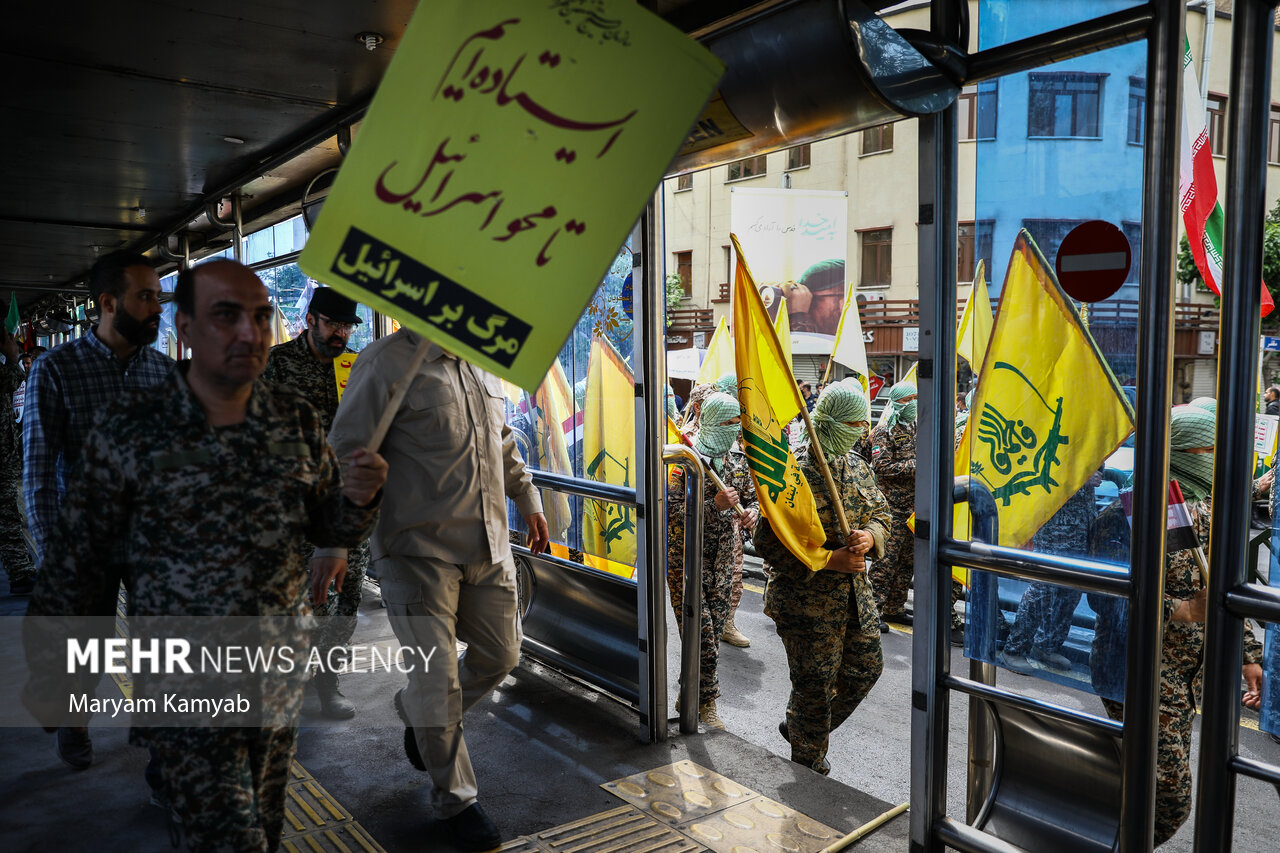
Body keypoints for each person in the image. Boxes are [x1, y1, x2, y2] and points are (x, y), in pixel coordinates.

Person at [21, 259, 386, 852]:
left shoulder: (291, 420)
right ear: (185, 326)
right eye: (226, 315)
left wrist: (361, 499)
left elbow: (329, 525)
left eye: (261, 316)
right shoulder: (132, 427)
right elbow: (75, 558)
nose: (249, 332)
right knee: (225, 836)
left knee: (267, 824)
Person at [328, 328, 549, 852]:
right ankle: (457, 801)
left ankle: (420, 712)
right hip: (415, 548)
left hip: (488, 541)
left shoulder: (483, 360)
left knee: (501, 655)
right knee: (437, 677)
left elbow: (501, 441)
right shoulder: (385, 362)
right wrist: (333, 541)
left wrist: (529, 496)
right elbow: (346, 452)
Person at [22, 250, 173, 770]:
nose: (158, 306)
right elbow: (39, 470)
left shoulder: (163, 371)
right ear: (109, 303)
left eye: (159, 295)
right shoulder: (57, 369)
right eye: (146, 296)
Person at [1087, 405, 1264, 845]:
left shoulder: (1207, 510)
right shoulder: (1127, 516)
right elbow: (1104, 598)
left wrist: (1248, 656)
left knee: (1145, 787)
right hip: (1137, 672)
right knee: (1170, 797)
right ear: (1184, 453)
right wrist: (1179, 611)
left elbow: (1219, 589)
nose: (1217, 461)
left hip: (1186, 680)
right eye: (1209, 451)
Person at [759, 384, 891, 774]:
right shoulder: (792, 470)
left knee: (866, 669)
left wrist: (872, 536)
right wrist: (827, 560)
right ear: (832, 421)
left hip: (855, 600)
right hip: (807, 603)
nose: (863, 430)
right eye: (856, 423)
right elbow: (767, 542)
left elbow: (882, 512)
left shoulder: (857, 465)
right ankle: (808, 766)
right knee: (814, 687)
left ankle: (801, 728)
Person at [263, 286, 369, 720]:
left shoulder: (356, 367)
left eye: (346, 326)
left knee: (347, 599)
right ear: (310, 320)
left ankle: (328, 678)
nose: (340, 333)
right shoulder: (277, 365)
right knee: (303, 600)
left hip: (348, 509)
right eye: (332, 324)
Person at [666, 392, 757, 728]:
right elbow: (670, 515)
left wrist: (751, 515)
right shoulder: (682, 461)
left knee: (712, 638)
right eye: (729, 423)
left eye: (738, 424)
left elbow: (754, 499)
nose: (734, 430)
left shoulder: (735, 462)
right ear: (713, 421)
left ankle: (689, 694)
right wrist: (713, 506)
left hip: (722, 564)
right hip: (685, 563)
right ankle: (707, 704)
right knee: (701, 636)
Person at [999, 472, 1101, 673]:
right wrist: (1080, 478)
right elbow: (1042, 471)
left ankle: (1046, 645)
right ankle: (1013, 649)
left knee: (1072, 589)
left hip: (1083, 522)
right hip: (1057, 522)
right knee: (1043, 587)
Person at [867, 382, 919, 629]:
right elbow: (881, 466)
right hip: (892, 508)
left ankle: (894, 607)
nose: (914, 404)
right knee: (885, 562)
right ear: (898, 401)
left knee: (907, 562)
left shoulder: (918, 426)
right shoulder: (883, 430)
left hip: (915, 507)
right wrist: (916, 466)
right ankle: (871, 609)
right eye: (910, 399)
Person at [1, 328, 34, 595]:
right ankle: (21, 573)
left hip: (4, 456)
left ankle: (21, 573)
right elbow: (13, 381)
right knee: (8, 515)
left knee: (9, 514)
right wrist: (12, 359)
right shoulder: (7, 367)